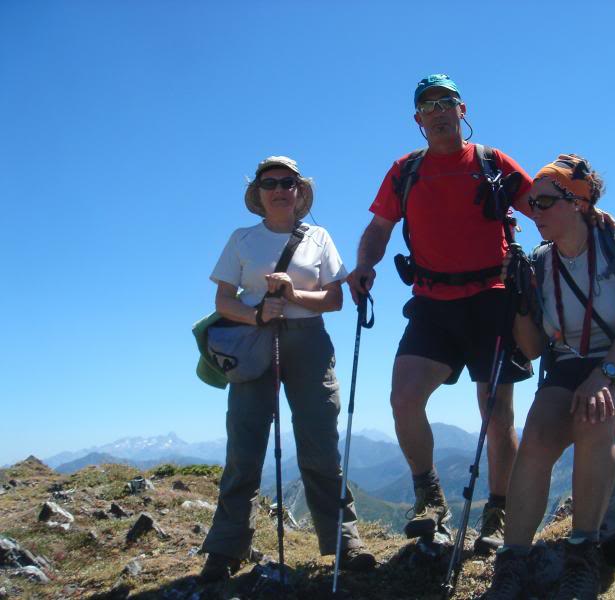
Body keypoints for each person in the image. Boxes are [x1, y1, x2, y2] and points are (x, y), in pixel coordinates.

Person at [346, 74, 535, 555]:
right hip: (433, 302)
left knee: (496, 413)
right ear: (418, 120)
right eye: (428, 105)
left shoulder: (492, 162)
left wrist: (588, 217)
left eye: (446, 102)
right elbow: (379, 227)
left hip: (493, 297)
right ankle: (429, 498)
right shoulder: (405, 170)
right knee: (404, 398)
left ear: (462, 109)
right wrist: (364, 265)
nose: (438, 111)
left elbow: (542, 207)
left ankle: (498, 509)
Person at [483, 154, 615, 600]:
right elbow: (535, 347)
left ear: (576, 203)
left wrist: (604, 375)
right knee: (537, 437)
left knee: (593, 419)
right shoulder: (541, 262)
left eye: (543, 202)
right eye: (531, 203)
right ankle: (513, 560)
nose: (533, 212)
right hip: (568, 362)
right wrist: (519, 299)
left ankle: (584, 553)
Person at [199, 156, 376, 581]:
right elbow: (223, 302)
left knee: (319, 443)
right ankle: (225, 548)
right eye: (270, 183)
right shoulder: (242, 239)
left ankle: (344, 541)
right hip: (258, 341)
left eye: (287, 183)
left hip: (308, 341)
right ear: (259, 194)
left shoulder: (319, 237)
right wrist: (258, 314)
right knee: (244, 445)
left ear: (299, 192)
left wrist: (292, 294)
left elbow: (334, 299)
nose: (279, 189)